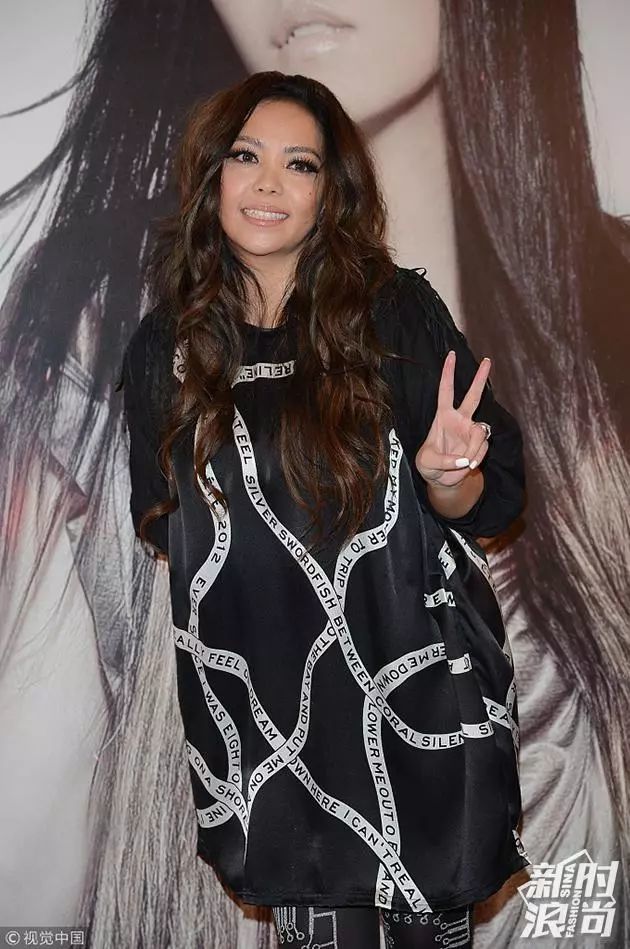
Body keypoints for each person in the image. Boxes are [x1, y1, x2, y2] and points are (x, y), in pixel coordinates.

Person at [119, 70, 529, 949]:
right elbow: (165, 525)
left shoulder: (392, 313)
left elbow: (482, 501)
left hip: (413, 699)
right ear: (212, 176)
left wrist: (445, 474)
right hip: (273, 725)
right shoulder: (166, 348)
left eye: (299, 164)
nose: (268, 183)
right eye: (246, 157)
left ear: (327, 193)